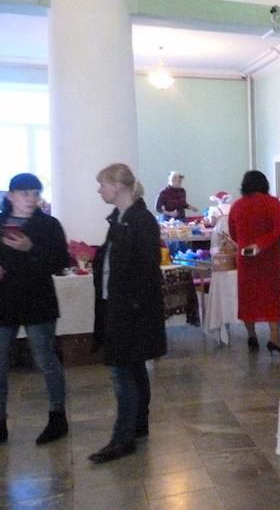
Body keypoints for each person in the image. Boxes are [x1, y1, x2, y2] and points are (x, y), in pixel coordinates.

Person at [90, 164, 166, 463]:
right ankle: (137, 425)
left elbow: (145, 270)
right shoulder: (120, 218)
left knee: (122, 372)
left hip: (129, 311)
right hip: (119, 306)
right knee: (133, 369)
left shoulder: (141, 221)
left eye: (103, 184)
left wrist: (131, 308)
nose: (100, 190)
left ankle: (123, 438)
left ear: (119, 186)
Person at [0, 173, 71, 446]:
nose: (31, 199)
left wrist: (31, 248)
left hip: (37, 300)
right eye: (24, 193)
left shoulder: (48, 224)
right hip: (4, 301)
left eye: (35, 193)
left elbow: (60, 262)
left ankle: (57, 416)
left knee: (46, 361)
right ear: (10, 196)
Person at [228, 171, 280, 354]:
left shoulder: (237, 206)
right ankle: (275, 338)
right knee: (272, 297)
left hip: (245, 260)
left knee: (248, 297)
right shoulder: (273, 203)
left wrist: (247, 243)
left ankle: (252, 336)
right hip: (269, 259)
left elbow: (233, 233)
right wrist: (261, 244)